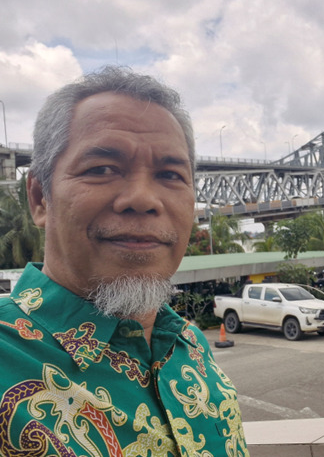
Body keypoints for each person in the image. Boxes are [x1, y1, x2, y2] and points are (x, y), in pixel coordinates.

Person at [0, 66, 248, 456]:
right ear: (39, 198)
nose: (143, 198)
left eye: (170, 174)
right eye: (102, 169)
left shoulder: (190, 344)